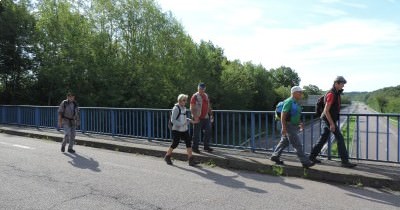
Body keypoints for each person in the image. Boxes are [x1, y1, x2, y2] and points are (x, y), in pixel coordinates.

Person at [309, 76, 357, 168]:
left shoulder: (336, 93)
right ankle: (345, 161)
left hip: (327, 119)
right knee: (340, 138)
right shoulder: (331, 94)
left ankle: (311, 157)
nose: (343, 86)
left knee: (323, 139)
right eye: (342, 84)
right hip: (328, 120)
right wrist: (331, 124)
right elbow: (326, 111)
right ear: (336, 83)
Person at [270, 86, 315, 168]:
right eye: (300, 92)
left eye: (301, 92)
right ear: (294, 93)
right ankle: (305, 162)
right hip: (288, 125)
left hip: (292, 125)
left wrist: (300, 122)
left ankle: (275, 156)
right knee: (297, 144)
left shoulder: (296, 102)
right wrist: (284, 127)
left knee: (284, 142)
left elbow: (295, 114)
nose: (301, 94)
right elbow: (283, 114)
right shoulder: (289, 101)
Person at [164, 94, 198, 166]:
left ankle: (190, 160)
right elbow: (173, 120)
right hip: (177, 129)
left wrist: (190, 120)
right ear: (179, 100)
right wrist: (182, 124)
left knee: (188, 143)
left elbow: (184, 118)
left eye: (186, 100)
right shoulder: (176, 108)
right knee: (175, 144)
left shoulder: (184, 108)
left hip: (184, 129)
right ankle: (167, 156)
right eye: (184, 100)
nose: (185, 102)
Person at [190, 82, 213, 153]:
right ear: (198, 88)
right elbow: (192, 107)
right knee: (196, 133)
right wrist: (194, 116)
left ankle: (206, 146)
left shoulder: (206, 95)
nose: (202, 90)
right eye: (201, 89)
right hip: (198, 117)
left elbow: (208, 106)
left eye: (203, 89)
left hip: (206, 117)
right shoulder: (195, 96)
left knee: (208, 131)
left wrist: (211, 114)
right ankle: (195, 147)